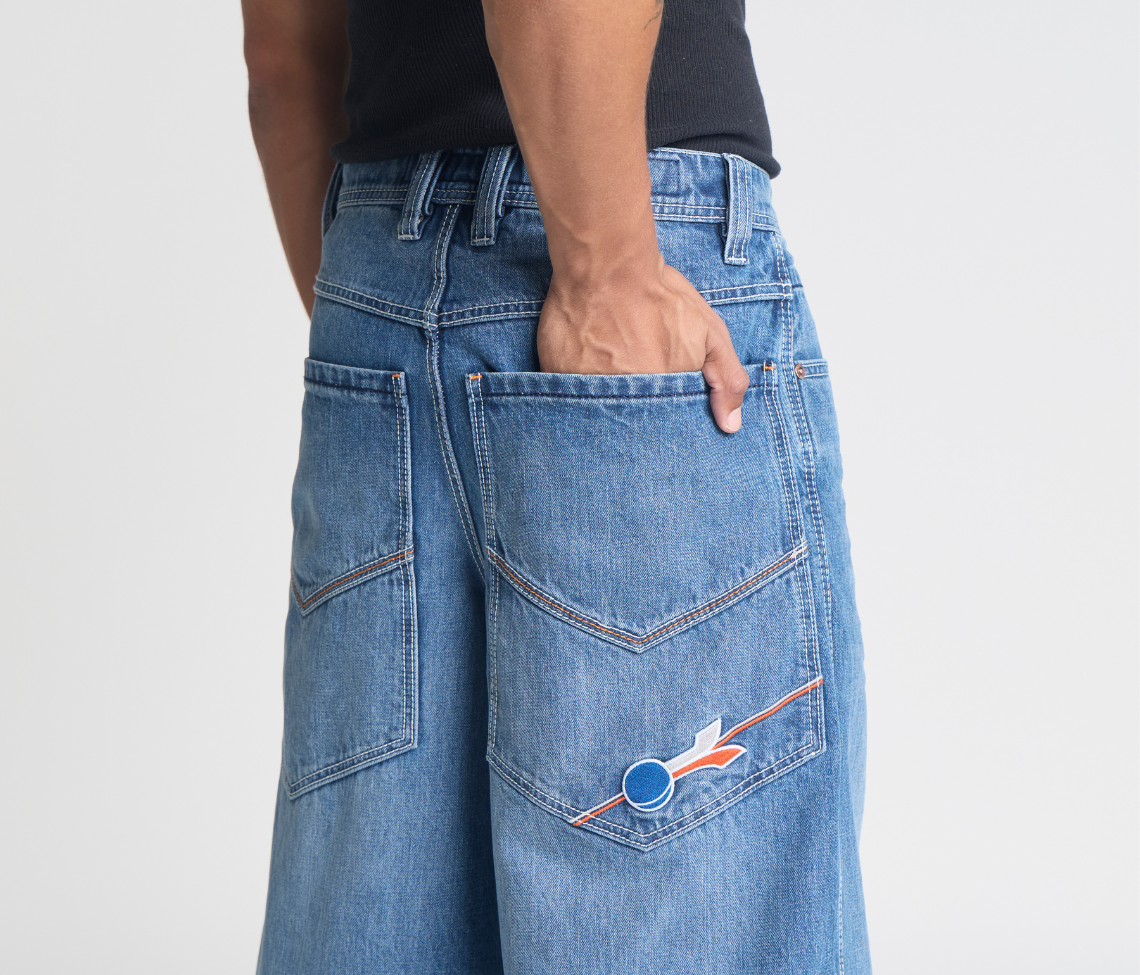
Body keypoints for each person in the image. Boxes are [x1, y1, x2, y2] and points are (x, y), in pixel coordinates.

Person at [243, 0, 870, 971]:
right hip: (614, 242)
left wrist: (386, 322)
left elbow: (284, 54)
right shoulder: (607, 265)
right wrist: (609, 266)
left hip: (375, 288)